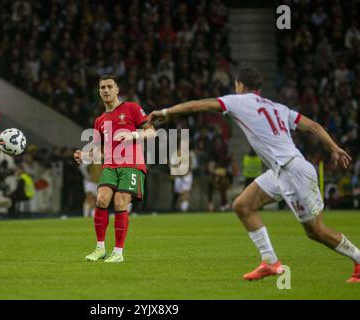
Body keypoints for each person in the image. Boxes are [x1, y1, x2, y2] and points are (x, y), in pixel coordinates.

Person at [148, 68, 359, 283]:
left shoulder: (238, 101)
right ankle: (270, 261)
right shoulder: (278, 107)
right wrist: (334, 147)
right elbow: (313, 126)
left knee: (316, 232)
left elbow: (197, 105)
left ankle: (359, 260)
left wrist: (165, 113)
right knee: (242, 205)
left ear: (239, 85)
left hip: (293, 172)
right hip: (283, 170)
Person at [74, 74, 156, 263]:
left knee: (120, 203)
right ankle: (100, 248)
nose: (106, 90)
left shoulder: (132, 108)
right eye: (102, 88)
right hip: (110, 165)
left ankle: (118, 252)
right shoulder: (99, 120)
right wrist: (84, 156)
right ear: (99, 92)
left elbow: (151, 132)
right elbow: (99, 152)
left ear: (117, 89)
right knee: (101, 200)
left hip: (132, 164)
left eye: (110, 86)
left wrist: (132, 135)